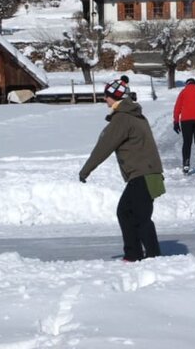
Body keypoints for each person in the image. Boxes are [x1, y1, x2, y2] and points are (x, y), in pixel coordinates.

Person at [79, 78, 165, 261]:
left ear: (114, 98)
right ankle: (147, 255)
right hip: (149, 172)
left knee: (128, 212)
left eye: (106, 96)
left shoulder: (123, 118)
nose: (104, 99)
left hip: (142, 173)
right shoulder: (134, 115)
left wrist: (86, 170)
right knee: (136, 214)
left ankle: (140, 255)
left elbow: (104, 146)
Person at [173, 78, 195, 175]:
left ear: (187, 84)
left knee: (187, 142)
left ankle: (186, 164)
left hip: (186, 121)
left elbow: (177, 107)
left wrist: (176, 121)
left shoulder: (183, 92)